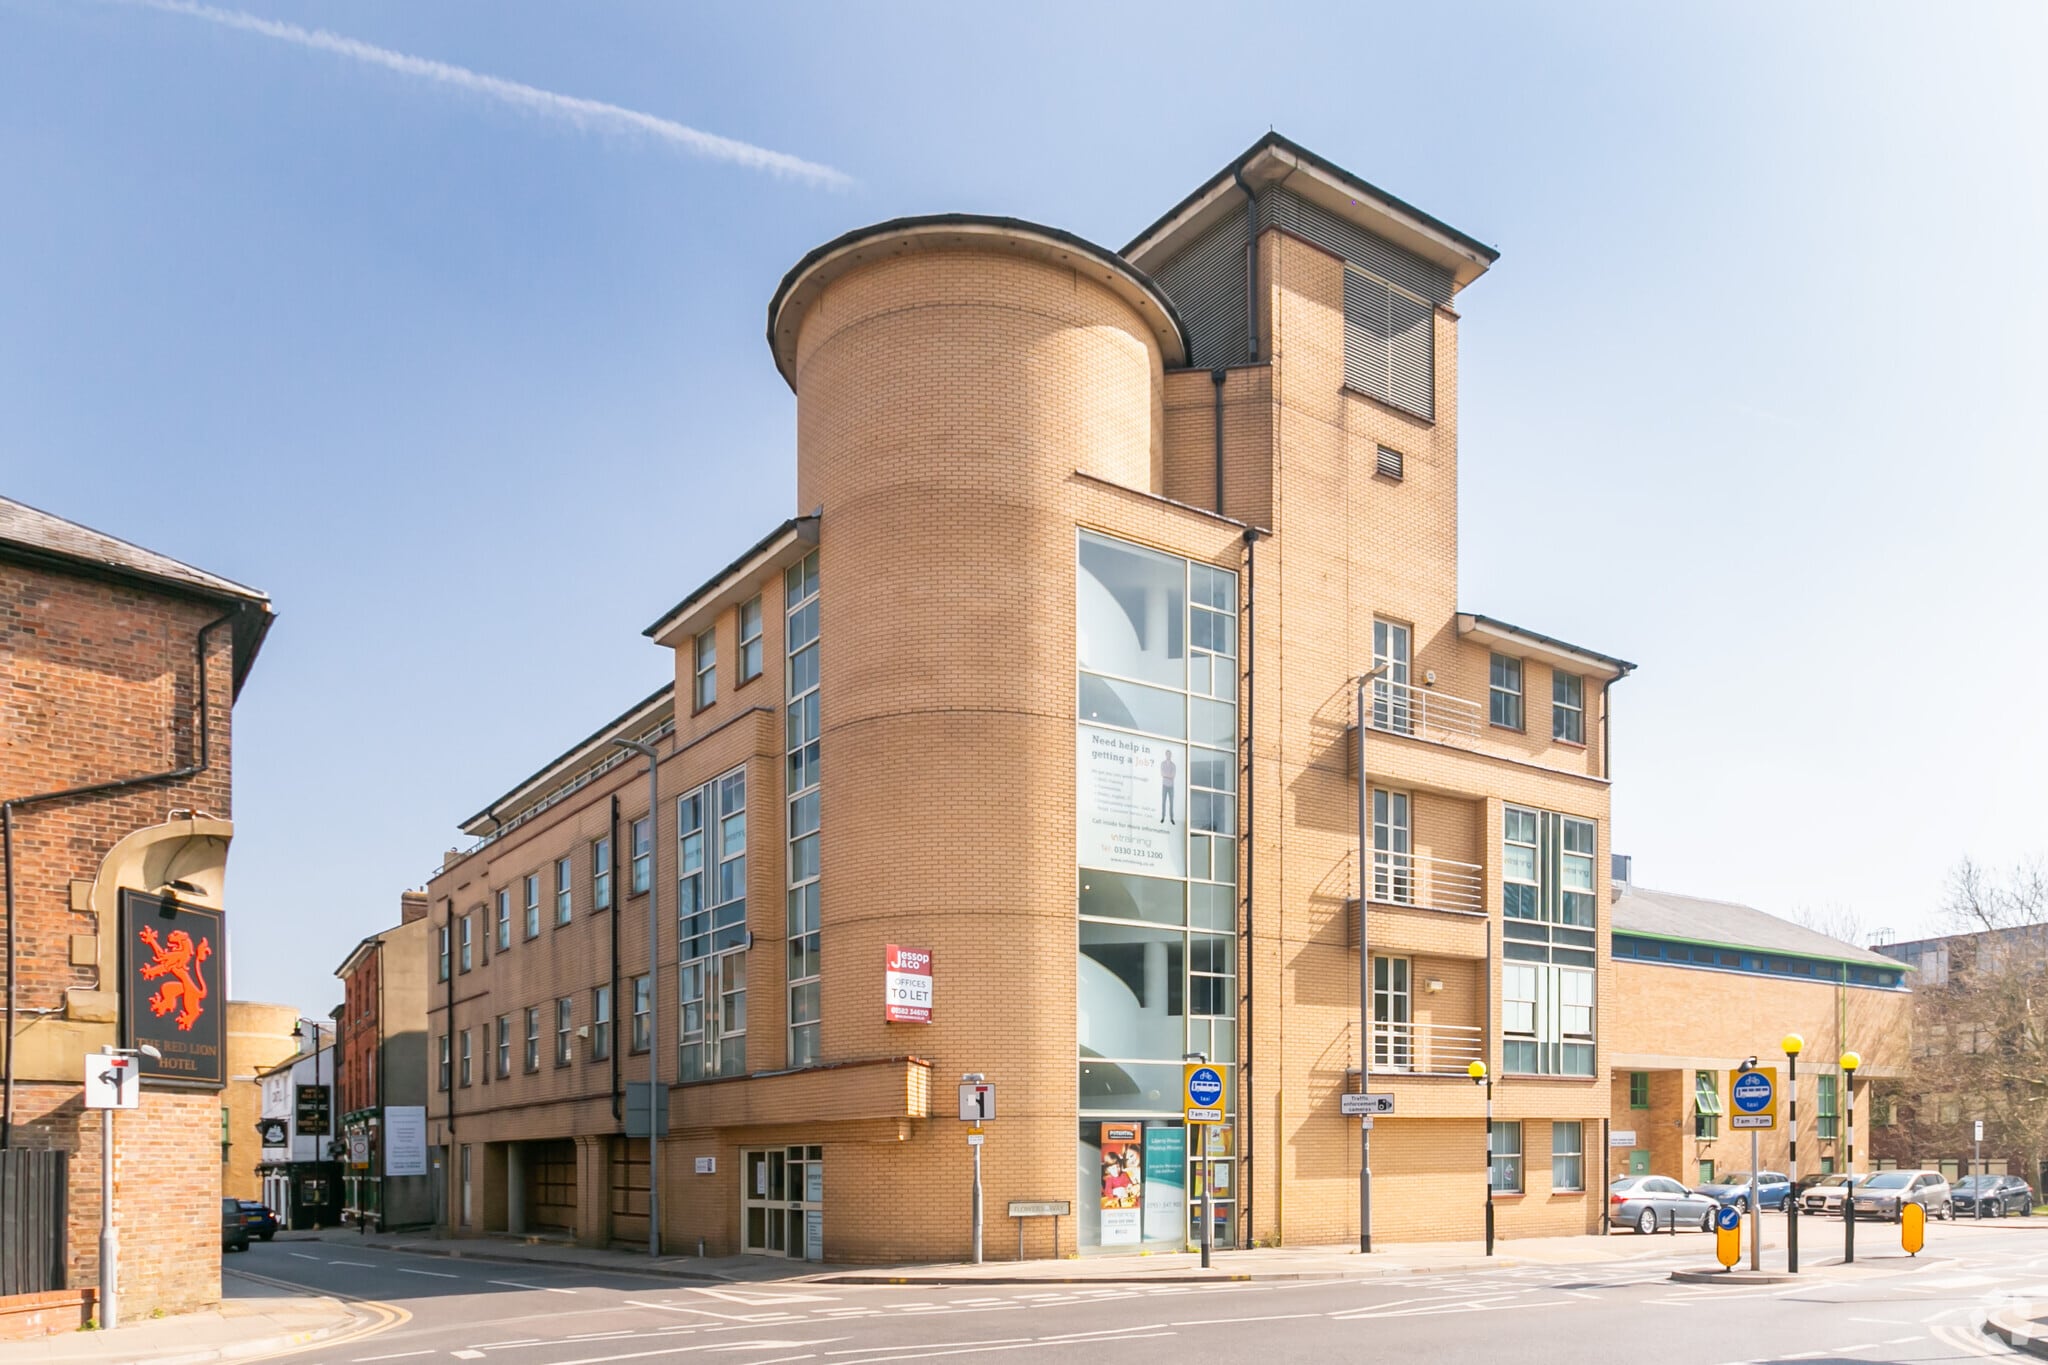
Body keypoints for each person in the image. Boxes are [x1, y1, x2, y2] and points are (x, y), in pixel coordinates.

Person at [1159, 752, 1177, 824]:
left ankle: (1171, 818)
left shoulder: (1173, 765)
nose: (1168, 756)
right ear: (1165, 755)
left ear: (1171, 755)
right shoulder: (1162, 764)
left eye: (1169, 754)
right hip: (1164, 785)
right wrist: (1168, 775)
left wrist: (1166, 775)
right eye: (1167, 754)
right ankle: (1163, 817)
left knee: (1171, 803)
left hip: (1171, 786)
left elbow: (1173, 776)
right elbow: (1162, 774)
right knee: (1163, 802)